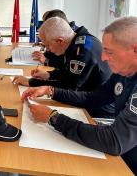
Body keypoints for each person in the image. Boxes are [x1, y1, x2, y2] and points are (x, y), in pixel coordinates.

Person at [21, 17, 137, 174]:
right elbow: (93, 97)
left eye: (109, 52)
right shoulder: (125, 71)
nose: (103, 57)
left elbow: (114, 141)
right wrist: (51, 90)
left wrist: (53, 118)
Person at [14, 17, 112, 92]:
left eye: (47, 45)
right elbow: (68, 73)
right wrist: (49, 75)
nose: (47, 50)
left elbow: (69, 87)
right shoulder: (76, 40)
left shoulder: (82, 51)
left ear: (60, 41)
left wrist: (31, 82)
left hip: (94, 111)